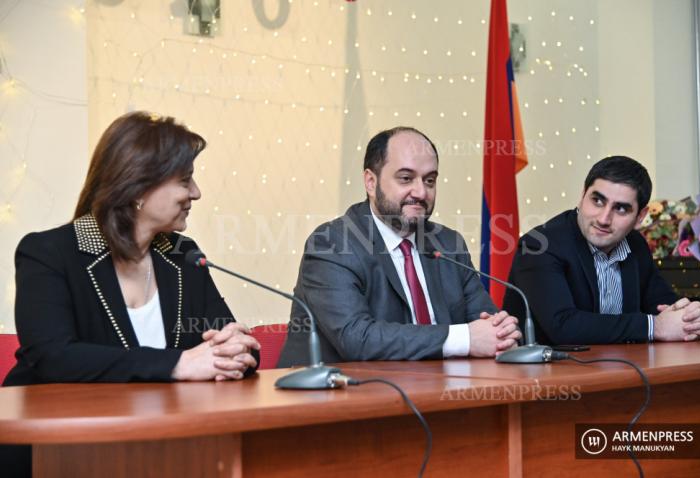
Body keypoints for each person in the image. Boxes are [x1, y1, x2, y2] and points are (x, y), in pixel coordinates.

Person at [2, 112, 260, 476]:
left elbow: (225, 344)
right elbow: (54, 357)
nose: (196, 193)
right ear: (138, 188)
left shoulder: (184, 255)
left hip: (167, 446)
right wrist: (178, 364)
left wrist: (238, 348)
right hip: (60, 452)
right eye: (185, 181)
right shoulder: (48, 253)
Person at [278, 126, 521, 367]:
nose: (420, 192)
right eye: (406, 178)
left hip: (436, 392)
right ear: (371, 182)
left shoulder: (448, 244)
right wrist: (464, 338)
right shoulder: (332, 243)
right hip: (335, 397)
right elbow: (357, 338)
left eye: (430, 180)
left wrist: (502, 336)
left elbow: (489, 325)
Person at [503, 156, 700, 345]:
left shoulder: (635, 244)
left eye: (620, 208)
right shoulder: (539, 245)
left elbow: (661, 303)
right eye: (597, 201)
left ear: (640, 217)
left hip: (622, 370)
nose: (603, 219)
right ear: (582, 195)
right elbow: (563, 326)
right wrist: (655, 327)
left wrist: (688, 316)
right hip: (547, 377)